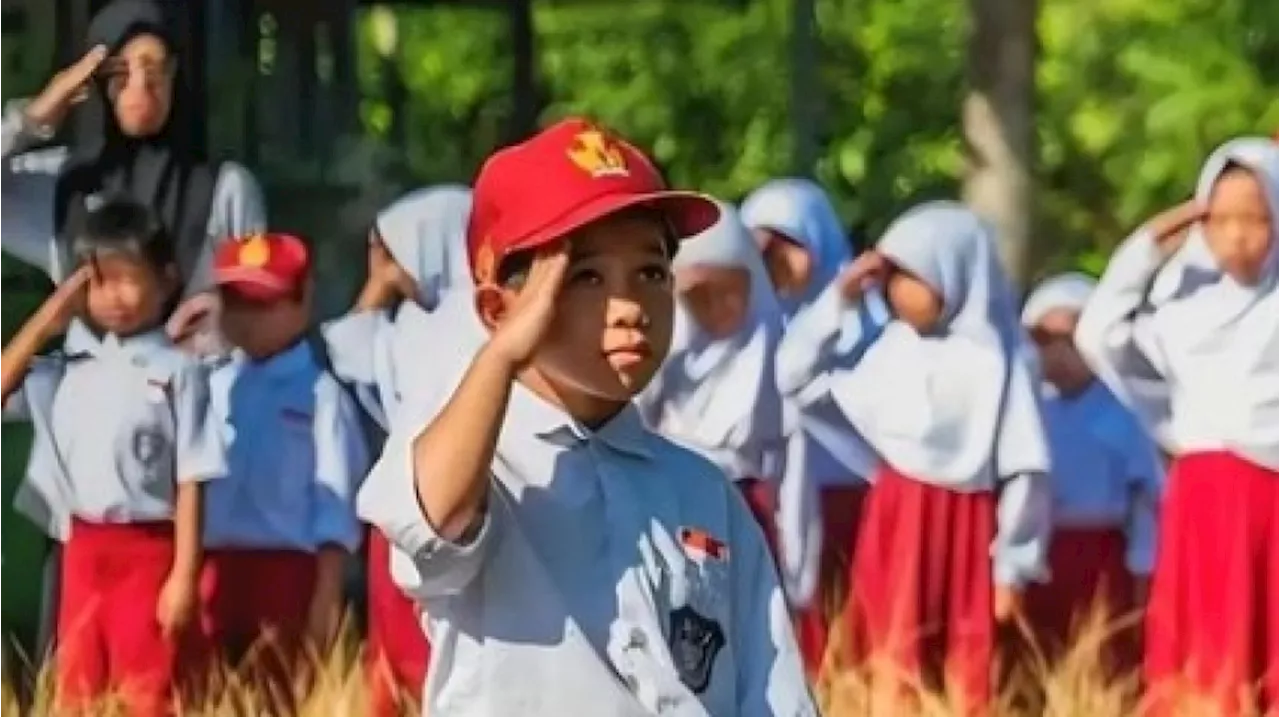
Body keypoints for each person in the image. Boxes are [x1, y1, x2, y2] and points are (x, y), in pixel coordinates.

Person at [355, 118, 816, 716]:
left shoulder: (703, 491)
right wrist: (503, 354)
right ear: (500, 308)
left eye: (651, 273)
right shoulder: (475, 468)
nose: (630, 308)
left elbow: (771, 691)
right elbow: (432, 531)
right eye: (584, 278)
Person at [782, 201, 1051, 711]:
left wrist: (1013, 565)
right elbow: (794, 377)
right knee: (889, 651)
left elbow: (1026, 470)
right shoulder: (892, 352)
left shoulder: (999, 360)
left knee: (962, 665)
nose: (897, 290)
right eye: (891, 277)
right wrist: (838, 301)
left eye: (912, 276)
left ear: (954, 273)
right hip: (896, 518)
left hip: (968, 527)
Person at [1075, 137, 1280, 716]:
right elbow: (1099, 334)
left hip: (1272, 502)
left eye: (1257, 218)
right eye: (1222, 219)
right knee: (1204, 649)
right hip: (1203, 500)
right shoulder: (1184, 313)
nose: (1238, 235)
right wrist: (1146, 248)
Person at [0, 197, 225, 716]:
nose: (116, 296)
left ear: (167, 279)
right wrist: (47, 320)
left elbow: (193, 476)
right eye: (100, 281)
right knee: (80, 689)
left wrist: (184, 574)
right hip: (82, 551)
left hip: (149, 552)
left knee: (149, 692)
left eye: (131, 278)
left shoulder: (180, 370)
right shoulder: (68, 367)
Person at [0, 0, 265, 355]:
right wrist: (32, 119)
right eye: (118, 72)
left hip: (196, 397)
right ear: (93, 82)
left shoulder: (227, 189)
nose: (140, 88)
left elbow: (258, 307)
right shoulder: (64, 185)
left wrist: (221, 326)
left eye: (155, 70)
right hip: (90, 394)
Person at [324, 185, 473, 716]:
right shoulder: (414, 321)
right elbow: (347, 348)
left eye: (395, 252)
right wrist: (379, 282)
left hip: (446, 508)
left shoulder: (473, 318)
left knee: (429, 661)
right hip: (400, 512)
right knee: (393, 658)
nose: (389, 266)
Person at [201, 233, 368, 697]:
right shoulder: (212, 386)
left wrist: (325, 595)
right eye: (236, 303)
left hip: (286, 575)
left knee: (276, 693)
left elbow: (334, 507)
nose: (247, 319)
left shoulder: (320, 396)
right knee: (206, 694)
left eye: (264, 303)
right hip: (213, 570)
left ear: (302, 303)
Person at [740, 178, 880, 675]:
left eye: (787, 243)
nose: (774, 259)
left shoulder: (867, 315)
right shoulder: (742, 317)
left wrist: (833, 306)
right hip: (777, 496)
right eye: (761, 245)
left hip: (849, 492)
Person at [1019, 272, 1162, 665]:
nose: (1059, 354)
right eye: (1044, 340)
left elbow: (1147, 499)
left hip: (1101, 557)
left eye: (1071, 340)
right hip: (1034, 557)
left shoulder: (1127, 412)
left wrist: (1143, 565)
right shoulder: (1025, 410)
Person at [637, 199, 789, 553]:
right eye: (699, 294)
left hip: (747, 512)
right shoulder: (660, 360)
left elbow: (789, 467)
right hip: (671, 507)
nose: (719, 306)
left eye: (731, 291)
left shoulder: (772, 356)